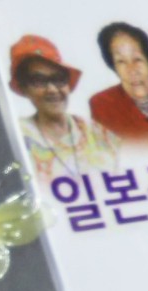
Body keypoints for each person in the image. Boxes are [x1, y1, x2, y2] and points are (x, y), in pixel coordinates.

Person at [8, 35, 119, 184]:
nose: (52, 89)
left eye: (58, 79)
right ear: (24, 88)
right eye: (39, 81)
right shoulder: (16, 138)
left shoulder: (100, 135)